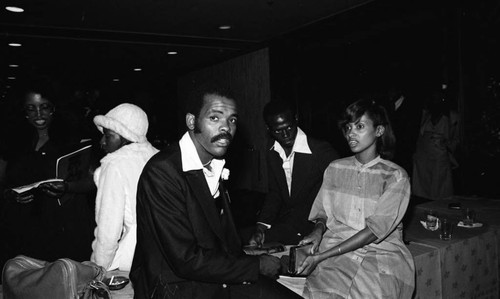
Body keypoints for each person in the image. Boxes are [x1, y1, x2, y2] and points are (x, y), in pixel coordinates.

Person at [130, 85, 301, 299]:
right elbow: (185, 260)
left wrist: (254, 253)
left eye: (232, 120)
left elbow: (218, 236)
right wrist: (255, 266)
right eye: (214, 118)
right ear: (192, 121)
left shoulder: (214, 162)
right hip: (176, 286)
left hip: (211, 274)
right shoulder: (163, 172)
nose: (226, 128)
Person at [297, 99, 415, 298]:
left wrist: (321, 257)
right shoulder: (335, 168)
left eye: (359, 126)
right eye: (348, 127)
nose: (351, 133)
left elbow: (373, 232)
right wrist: (318, 231)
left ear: (379, 131)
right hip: (335, 252)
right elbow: (323, 212)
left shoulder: (395, 176)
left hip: (380, 255)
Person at [0, 78, 96, 268]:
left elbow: (93, 180)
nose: (38, 114)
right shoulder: (12, 141)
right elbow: (3, 183)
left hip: (62, 226)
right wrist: (9, 194)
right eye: (30, 108)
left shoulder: (72, 139)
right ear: (23, 111)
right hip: (22, 226)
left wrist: (68, 187)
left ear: (54, 108)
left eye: (44, 107)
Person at [247, 99, 338, 246]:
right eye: (278, 130)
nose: (285, 135)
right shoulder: (272, 150)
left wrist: (320, 228)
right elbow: (275, 192)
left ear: (296, 119)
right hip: (286, 225)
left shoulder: (320, 151)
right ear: (268, 129)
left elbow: (338, 194)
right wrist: (261, 228)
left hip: (316, 229)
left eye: (289, 128)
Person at [90, 103, 158, 272]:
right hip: (164, 250)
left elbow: (108, 230)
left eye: (108, 135)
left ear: (125, 136)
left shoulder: (114, 164)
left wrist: (98, 268)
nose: (102, 142)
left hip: (132, 255)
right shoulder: (158, 156)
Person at [412, 90, 459, 200]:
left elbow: (456, 138)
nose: (436, 101)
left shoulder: (453, 117)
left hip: (440, 155)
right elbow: (420, 135)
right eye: (434, 98)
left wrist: (447, 145)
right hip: (423, 155)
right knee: (423, 186)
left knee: (440, 187)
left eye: (439, 98)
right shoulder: (426, 115)